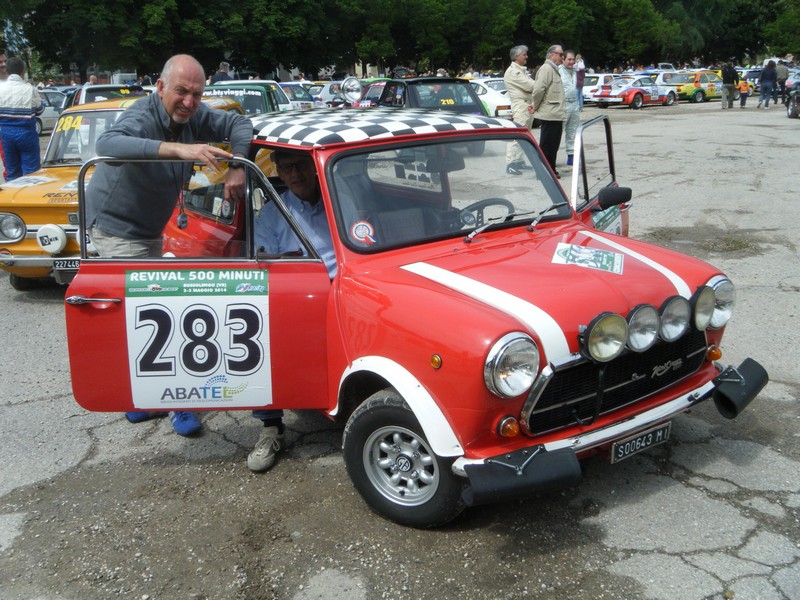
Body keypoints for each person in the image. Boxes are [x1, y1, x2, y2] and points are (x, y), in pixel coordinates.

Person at [84, 54, 252, 436]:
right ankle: (176, 402)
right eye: (181, 91)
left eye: (197, 94)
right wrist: (181, 150)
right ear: (160, 87)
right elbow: (108, 143)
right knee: (157, 313)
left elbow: (239, 123)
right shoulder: (141, 115)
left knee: (146, 314)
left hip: (149, 229)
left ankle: (142, 400)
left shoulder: (195, 115)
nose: (189, 102)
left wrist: (238, 164)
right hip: (117, 229)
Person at [251, 149, 336, 472]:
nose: (295, 175)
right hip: (298, 294)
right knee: (262, 341)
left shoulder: (337, 201)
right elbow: (266, 267)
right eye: (286, 169)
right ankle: (270, 426)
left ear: (313, 166)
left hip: (343, 287)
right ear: (278, 172)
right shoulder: (272, 213)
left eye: (300, 166)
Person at [0, 56, 45, 181]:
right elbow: (40, 110)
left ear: (7, 71)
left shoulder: (0, 90)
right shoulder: (30, 89)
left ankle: (13, 192)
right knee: (32, 172)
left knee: (12, 171)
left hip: (6, 135)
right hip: (27, 134)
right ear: (23, 71)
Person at [532, 45, 565, 177]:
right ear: (552, 55)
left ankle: (550, 169)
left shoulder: (553, 69)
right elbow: (538, 90)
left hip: (555, 113)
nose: (562, 57)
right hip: (549, 113)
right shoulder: (546, 69)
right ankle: (544, 172)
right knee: (547, 145)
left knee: (553, 144)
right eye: (560, 54)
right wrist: (535, 106)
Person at [503, 45, 535, 175]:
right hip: (520, 105)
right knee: (517, 135)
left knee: (525, 135)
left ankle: (519, 161)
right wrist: (542, 85)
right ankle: (511, 163)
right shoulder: (513, 72)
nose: (527, 56)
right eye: (524, 54)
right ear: (516, 57)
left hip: (526, 105)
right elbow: (530, 85)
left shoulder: (521, 70)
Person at [558, 50, 580, 166]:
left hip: (574, 104)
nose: (571, 62)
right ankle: (550, 158)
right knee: (558, 132)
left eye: (573, 59)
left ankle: (571, 156)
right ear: (563, 59)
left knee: (573, 131)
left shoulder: (575, 72)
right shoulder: (558, 71)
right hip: (563, 104)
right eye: (569, 59)